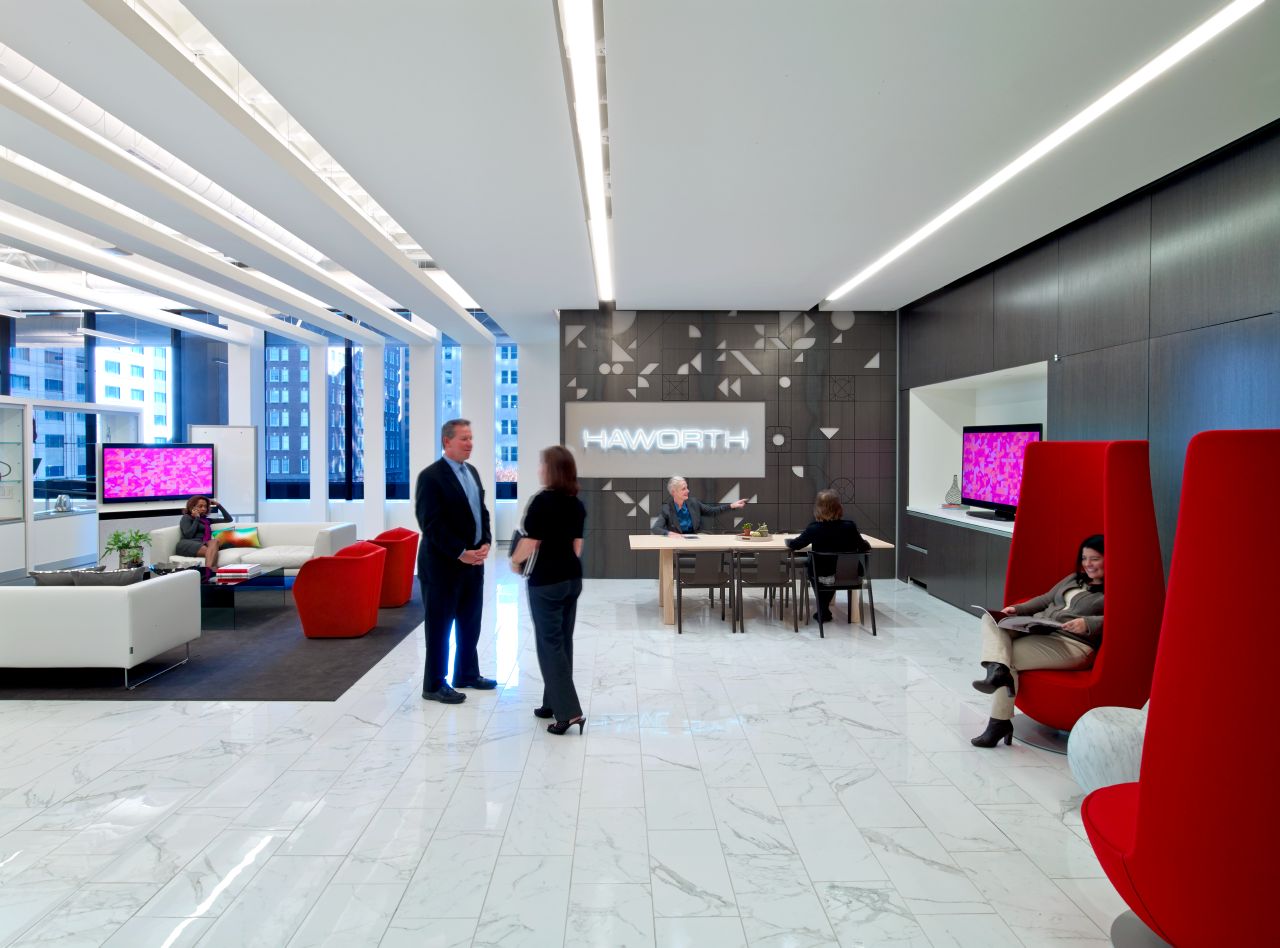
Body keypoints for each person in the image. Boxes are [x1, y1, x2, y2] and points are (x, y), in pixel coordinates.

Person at [971, 534, 1105, 747]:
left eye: (1095, 559)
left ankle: (998, 721)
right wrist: (1017, 609)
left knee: (1006, 660)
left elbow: (1123, 618)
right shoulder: (1074, 578)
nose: (1087, 564)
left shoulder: (1116, 590)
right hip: (1043, 630)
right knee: (990, 619)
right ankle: (997, 674)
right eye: (1084, 558)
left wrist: (1088, 623)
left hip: (1072, 645)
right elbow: (1045, 599)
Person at [414, 418, 493, 704]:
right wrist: (460, 552)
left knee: (470, 623)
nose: (470, 443)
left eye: (471, 438)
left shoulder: (472, 472)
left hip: (473, 563)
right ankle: (434, 684)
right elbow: (431, 524)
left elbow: (481, 511)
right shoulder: (431, 477)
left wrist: (485, 542)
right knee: (440, 626)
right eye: (464, 438)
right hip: (443, 566)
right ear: (447, 441)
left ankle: (466, 674)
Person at [512, 446, 587, 735]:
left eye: (543, 464)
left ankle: (569, 713)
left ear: (552, 470)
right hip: (571, 579)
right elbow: (577, 547)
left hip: (546, 583)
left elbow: (530, 543)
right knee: (562, 640)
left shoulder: (541, 502)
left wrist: (514, 561)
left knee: (550, 645)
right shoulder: (576, 504)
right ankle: (551, 702)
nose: (539, 469)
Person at [786, 489, 871, 622]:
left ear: (818, 509)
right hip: (850, 576)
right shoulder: (849, 527)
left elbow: (795, 545)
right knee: (829, 569)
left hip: (823, 577)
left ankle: (823, 609)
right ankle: (823, 610)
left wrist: (787, 540)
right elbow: (865, 547)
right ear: (839, 507)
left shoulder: (814, 528)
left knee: (814, 567)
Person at [651, 475, 747, 536]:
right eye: (683, 489)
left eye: (687, 488)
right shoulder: (667, 509)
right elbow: (656, 528)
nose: (688, 491)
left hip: (695, 542)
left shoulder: (694, 503)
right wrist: (669, 533)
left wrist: (732, 505)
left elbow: (713, 511)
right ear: (673, 492)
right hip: (677, 545)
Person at [176, 495, 234, 571]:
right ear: (192, 507)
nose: (203, 509)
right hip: (187, 544)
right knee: (212, 553)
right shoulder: (186, 517)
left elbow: (228, 519)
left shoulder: (207, 520)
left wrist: (219, 505)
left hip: (202, 543)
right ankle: (211, 571)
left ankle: (209, 571)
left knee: (215, 542)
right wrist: (197, 518)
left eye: (205, 506)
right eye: (200, 506)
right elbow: (188, 535)